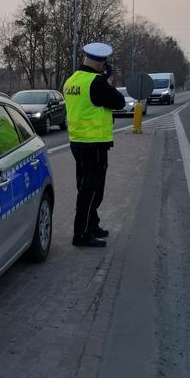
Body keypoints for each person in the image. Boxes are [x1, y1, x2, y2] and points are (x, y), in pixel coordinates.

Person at [63, 42, 126, 248]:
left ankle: (93, 225)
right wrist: (108, 81)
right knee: (92, 190)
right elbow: (119, 102)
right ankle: (81, 234)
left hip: (77, 142)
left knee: (84, 186)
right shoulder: (97, 82)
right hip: (94, 144)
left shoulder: (71, 80)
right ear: (102, 63)